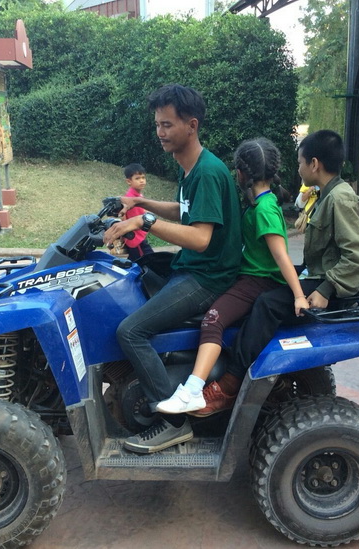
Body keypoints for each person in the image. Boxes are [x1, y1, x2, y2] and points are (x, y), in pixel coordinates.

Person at [196, 129, 359, 416]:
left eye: (300, 162)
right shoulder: (325, 194)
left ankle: (230, 383)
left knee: (266, 304)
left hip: (330, 284)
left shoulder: (340, 199)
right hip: (318, 274)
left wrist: (324, 290)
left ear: (314, 164)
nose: (298, 168)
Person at [102, 84, 242, 454]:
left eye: (167, 125)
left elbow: (201, 238)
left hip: (207, 277)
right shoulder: (191, 168)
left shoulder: (207, 172)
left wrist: (142, 221)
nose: (160, 132)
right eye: (157, 125)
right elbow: (186, 211)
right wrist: (140, 202)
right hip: (193, 269)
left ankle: (173, 422)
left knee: (131, 331)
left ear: (191, 125)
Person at [155, 137, 309, 415]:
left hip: (257, 281)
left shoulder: (264, 210)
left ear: (240, 173)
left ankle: (192, 391)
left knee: (212, 320)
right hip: (247, 276)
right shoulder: (260, 203)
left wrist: (299, 295)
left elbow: (281, 256)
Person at [120, 163, 154, 261]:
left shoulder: (139, 196)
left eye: (143, 177)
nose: (142, 181)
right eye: (137, 178)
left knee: (136, 261)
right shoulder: (129, 199)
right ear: (129, 181)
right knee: (148, 260)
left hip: (140, 236)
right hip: (135, 238)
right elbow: (123, 217)